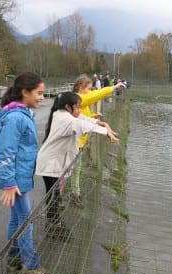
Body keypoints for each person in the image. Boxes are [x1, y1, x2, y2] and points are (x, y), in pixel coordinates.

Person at [0, 72, 50, 274]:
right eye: (39, 93)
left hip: (20, 178)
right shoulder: (17, 118)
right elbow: (5, 152)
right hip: (15, 181)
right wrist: (9, 183)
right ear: (25, 92)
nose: (42, 97)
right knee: (26, 221)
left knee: (18, 218)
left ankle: (14, 257)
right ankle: (31, 265)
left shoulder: (22, 114)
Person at [35, 92, 119, 223]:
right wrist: (105, 131)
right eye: (78, 107)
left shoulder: (62, 114)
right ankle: (53, 222)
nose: (80, 110)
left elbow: (84, 119)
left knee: (54, 193)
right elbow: (83, 125)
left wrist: (102, 124)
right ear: (68, 107)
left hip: (53, 161)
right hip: (51, 163)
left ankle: (54, 220)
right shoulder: (66, 119)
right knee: (53, 194)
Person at [71, 74, 125, 205]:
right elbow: (96, 95)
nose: (90, 91)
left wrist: (94, 115)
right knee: (73, 170)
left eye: (90, 88)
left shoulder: (80, 102)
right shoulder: (80, 98)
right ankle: (74, 194)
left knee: (75, 169)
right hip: (75, 142)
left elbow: (83, 116)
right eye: (88, 89)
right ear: (79, 87)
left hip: (80, 141)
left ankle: (74, 193)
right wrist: (113, 88)